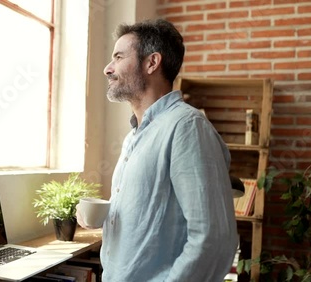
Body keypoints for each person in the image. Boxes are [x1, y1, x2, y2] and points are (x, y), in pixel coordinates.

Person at [77, 18, 238, 282]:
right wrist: (104, 218)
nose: (108, 69)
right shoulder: (133, 137)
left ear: (152, 63)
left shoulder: (187, 127)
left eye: (118, 57)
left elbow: (214, 239)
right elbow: (149, 219)